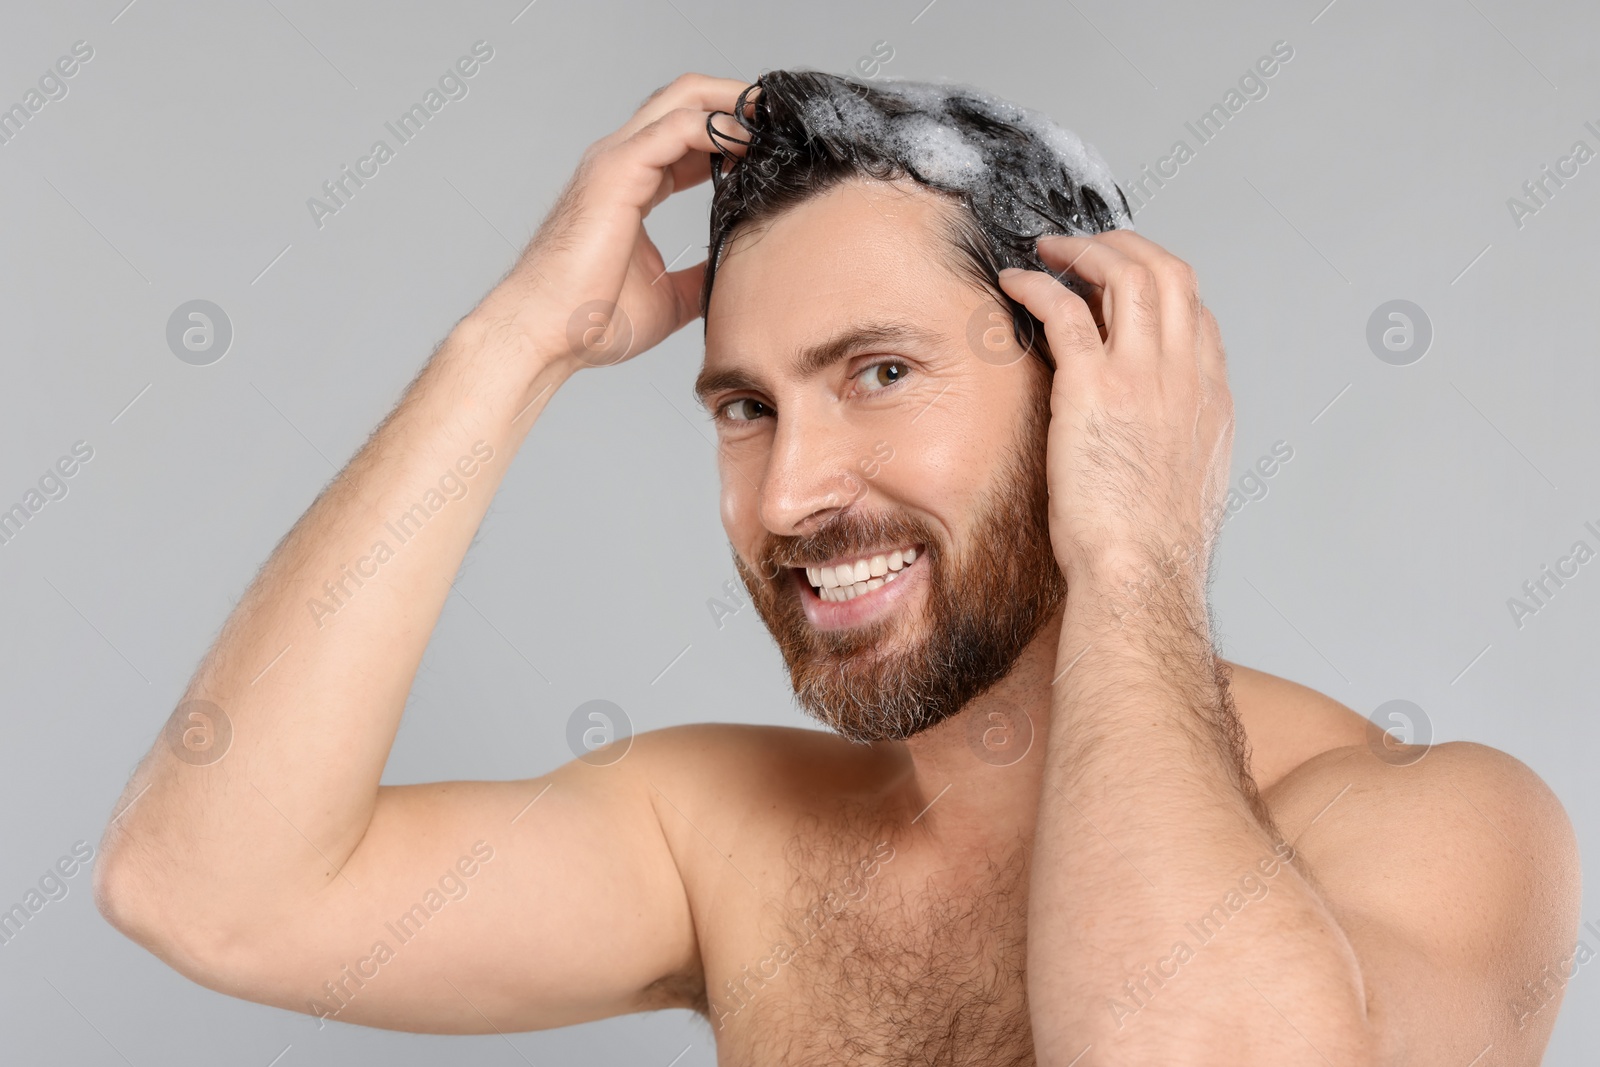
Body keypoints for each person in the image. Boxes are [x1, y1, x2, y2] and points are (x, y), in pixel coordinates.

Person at [95, 70, 1580, 1065]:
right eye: (746, 407)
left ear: (1093, 383)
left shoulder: (1432, 827)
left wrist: (1136, 551)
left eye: (877, 371)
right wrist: (515, 344)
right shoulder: (731, 842)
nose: (793, 492)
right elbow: (209, 888)